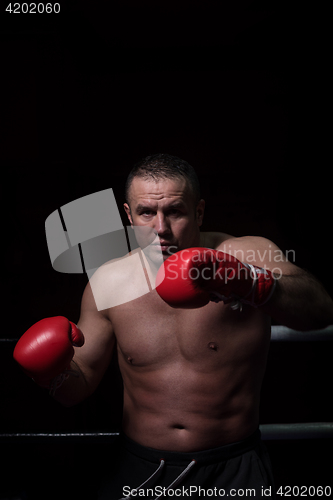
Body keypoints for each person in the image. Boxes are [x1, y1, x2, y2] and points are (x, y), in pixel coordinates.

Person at [14, 154, 333, 499]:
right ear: (128, 215)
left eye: (175, 212)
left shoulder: (247, 254)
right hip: (142, 468)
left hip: (235, 467)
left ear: (198, 211)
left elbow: (321, 310)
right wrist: (50, 371)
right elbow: (78, 385)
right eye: (146, 213)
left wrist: (251, 282)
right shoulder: (109, 282)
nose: (160, 229)